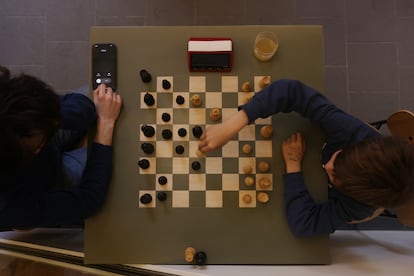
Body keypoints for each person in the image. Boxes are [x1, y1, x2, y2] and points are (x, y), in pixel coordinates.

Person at [198, 79, 414, 237]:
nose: (327, 165)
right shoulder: (351, 133)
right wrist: (231, 126)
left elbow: (304, 225)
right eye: (337, 159)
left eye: (336, 178)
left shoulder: (359, 205)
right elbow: (291, 91)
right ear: (355, 147)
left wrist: (293, 167)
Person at [0, 67, 122, 230]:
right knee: (123, 160)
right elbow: (89, 199)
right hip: (45, 184)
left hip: (39, 135)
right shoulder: (10, 207)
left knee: (109, 89)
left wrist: (51, 118)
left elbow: (75, 104)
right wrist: (105, 125)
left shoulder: (15, 104)